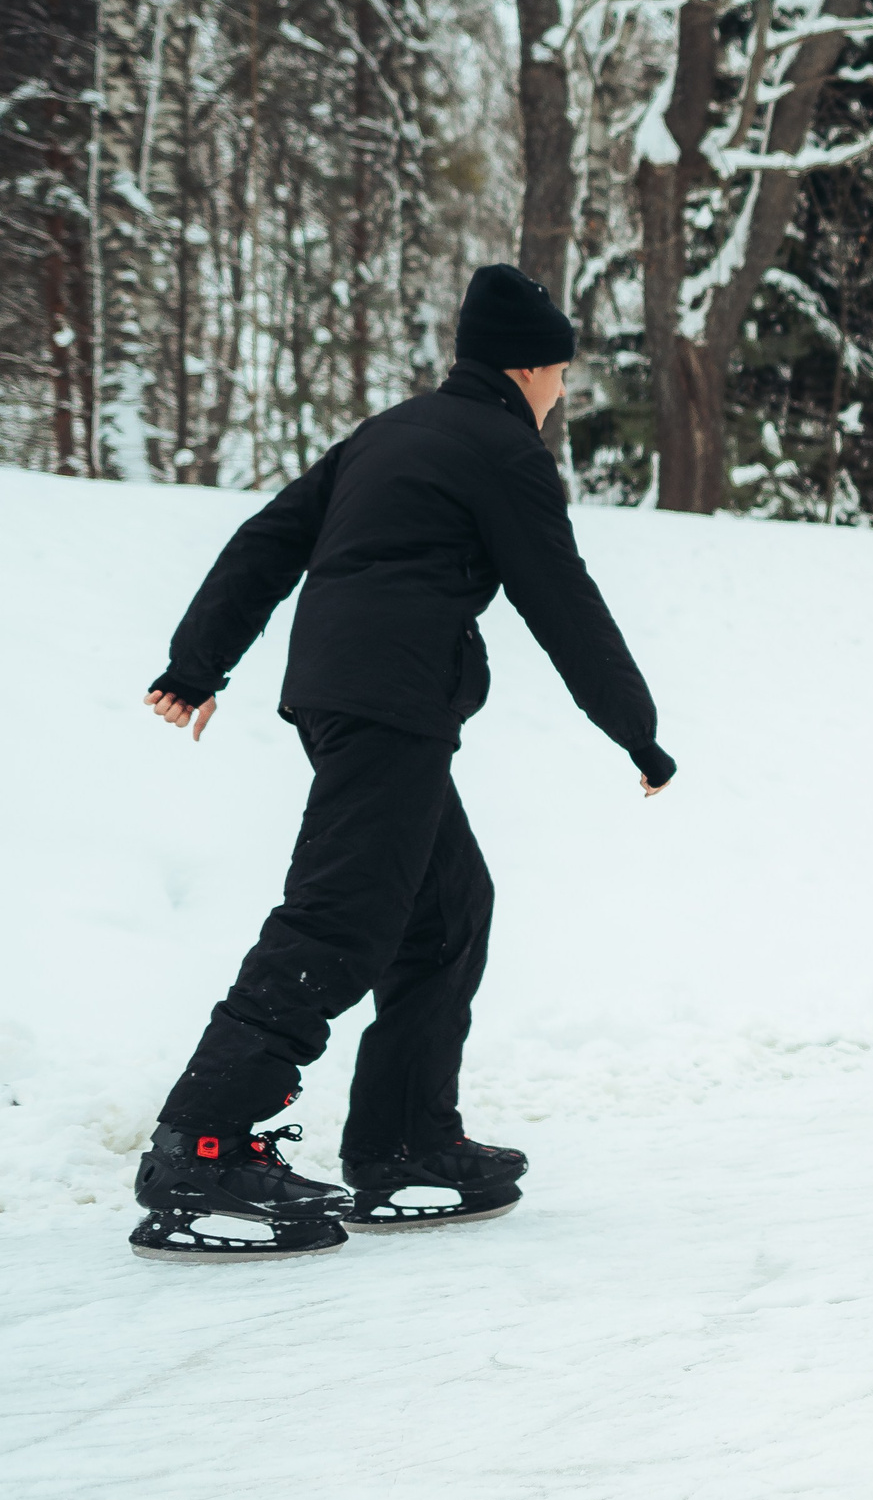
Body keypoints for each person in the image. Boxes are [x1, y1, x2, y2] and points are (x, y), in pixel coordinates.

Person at [128, 263, 677, 1263]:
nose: (561, 394)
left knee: (445, 911)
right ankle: (201, 1150)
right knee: (341, 918)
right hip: (393, 700)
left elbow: (267, 542)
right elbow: (561, 599)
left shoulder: (389, 433)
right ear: (531, 368)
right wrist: (636, 731)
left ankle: (404, 1141)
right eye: (561, 375)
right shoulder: (503, 450)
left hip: (345, 694)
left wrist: (197, 663)